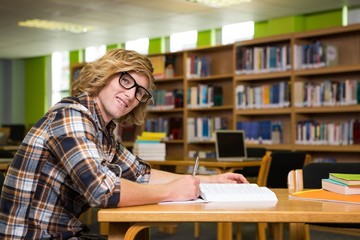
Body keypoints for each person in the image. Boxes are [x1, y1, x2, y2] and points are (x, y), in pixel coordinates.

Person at [0, 49, 248, 239]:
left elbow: (141, 174)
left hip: (61, 232)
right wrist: (174, 190)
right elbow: (103, 191)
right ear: (104, 75)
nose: (131, 95)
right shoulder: (72, 116)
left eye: (140, 92)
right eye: (126, 81)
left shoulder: (103, 131)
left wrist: (207, 180)